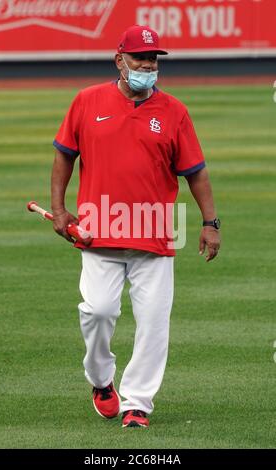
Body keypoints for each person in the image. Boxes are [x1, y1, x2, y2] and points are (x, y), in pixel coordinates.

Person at [51, 25, 221, 428]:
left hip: (156, 232)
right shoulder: (87, 101)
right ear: (119, 60)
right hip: (99, 230)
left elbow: (196, 173)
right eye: (140, 57)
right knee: (97, 311)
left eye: (153, 59)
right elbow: (63, 156)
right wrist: (59, 209)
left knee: (153, 322)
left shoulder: (174, 111)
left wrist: (210, 222)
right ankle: (101, 380)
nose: (148, 65)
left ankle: (137, 402)